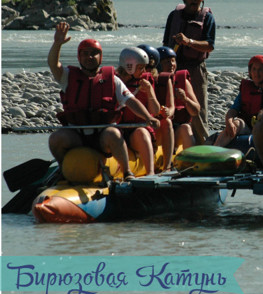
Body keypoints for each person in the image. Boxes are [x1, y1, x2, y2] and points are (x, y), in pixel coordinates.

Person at [47, 22, 159, 180]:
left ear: (101, 57)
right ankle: (63, 168)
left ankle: (127, 172)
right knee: (56, 138)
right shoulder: (67, 77)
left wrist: (148, 117)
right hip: (77, 135)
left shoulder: (112, 80)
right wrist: (57, 43)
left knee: (113, 133)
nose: (89, 57)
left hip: (102, 135)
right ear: (79, 57)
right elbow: (53, 64)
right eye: (85, 54)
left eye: (94, 53)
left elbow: (131, 102)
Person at [163, 0, 215, 144]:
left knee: (198, 110)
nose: (195, 2)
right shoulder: (174, 16)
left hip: (196, 69)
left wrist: (189, 42)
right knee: (171, 105)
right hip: (174, 68)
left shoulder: (207, 18)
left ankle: (203, 144)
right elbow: (165, 44)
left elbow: (209, 46)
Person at [213, 55, 263, 148]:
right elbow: (233, 110)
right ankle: (215, 150)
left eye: (260, 69)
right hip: (248, 127)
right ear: (250, 71)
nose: (256, 73)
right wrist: (229, 121)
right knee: (237, 123)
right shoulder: (246, 90)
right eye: (254, 69)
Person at [116, 47, 162, 175]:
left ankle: (150, 173)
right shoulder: (114, 81)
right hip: (118, 130)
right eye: (140, 67)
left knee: (141, 132)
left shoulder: (146, 81)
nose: (143, 71)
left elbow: (155, 110)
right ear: (129, 66)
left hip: (138, 131)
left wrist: (149, 92)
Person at [155, 46, 201, 152]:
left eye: (173, 61)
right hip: (158, 130)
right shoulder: (152, 81)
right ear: (158, 64)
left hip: (176, 131)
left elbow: (196, 111)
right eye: (166, 62)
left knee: (186, 128)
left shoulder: (182, 81)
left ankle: (189, 162)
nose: (171, 64)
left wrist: (185, 99)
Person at [137, 44, 175, 171]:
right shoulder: (125, 79)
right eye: (140, 66)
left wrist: (167, 112)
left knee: (167, 122)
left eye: (147, 67)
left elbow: (170, 107)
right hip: (132, 129)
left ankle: (167, 166)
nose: (144, 70)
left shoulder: (161, 80)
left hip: (153, 128)